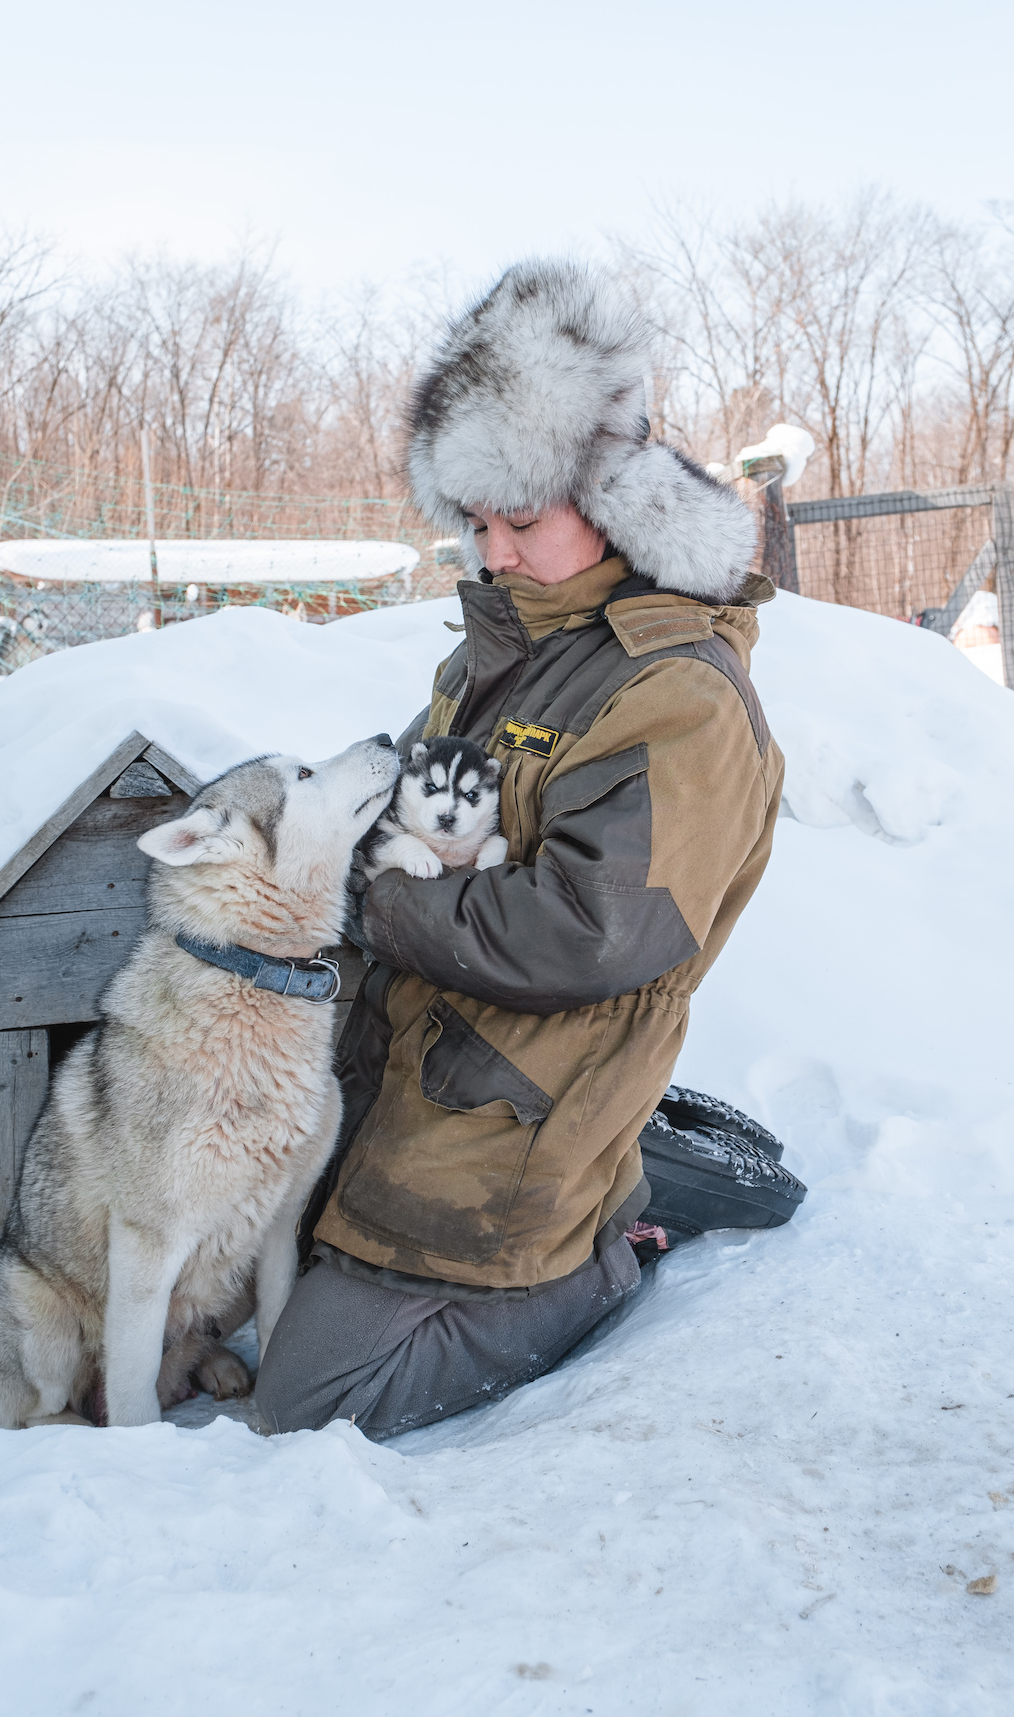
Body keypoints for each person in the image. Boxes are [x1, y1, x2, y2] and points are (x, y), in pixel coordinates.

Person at [254, 259, 784, 1439]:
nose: (492, 553)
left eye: (521, 520)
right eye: (476, 522)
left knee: (307, 1407)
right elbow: (404, 803)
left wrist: (384, 909)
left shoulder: (676, 692)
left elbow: (587, 929)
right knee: (262, 1260)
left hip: (516, 1105)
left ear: (614, 496)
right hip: (407, 1059)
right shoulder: (498, 647)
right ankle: (627, 1181)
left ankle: (601, 1253)